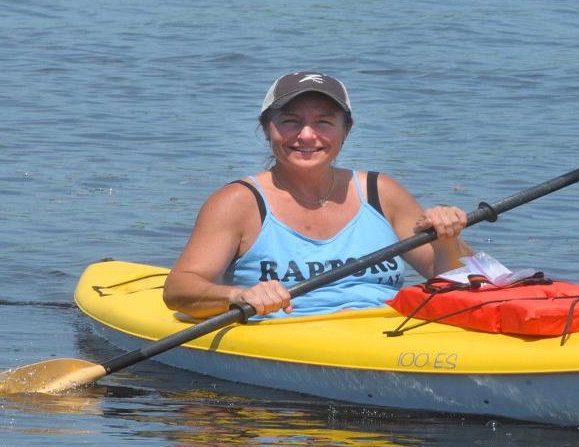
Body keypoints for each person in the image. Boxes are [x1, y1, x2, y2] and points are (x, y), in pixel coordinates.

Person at [163, 71, 473, 319]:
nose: (307, 135)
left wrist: (447, 239)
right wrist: (238, 295)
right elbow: (178, 289)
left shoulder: (381, 192)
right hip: (292, 336)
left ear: (345, 130)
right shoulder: (238, 202)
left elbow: (462, 281)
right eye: (291, 122)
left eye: (323, 122)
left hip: (386, 331)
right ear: (267, 128)